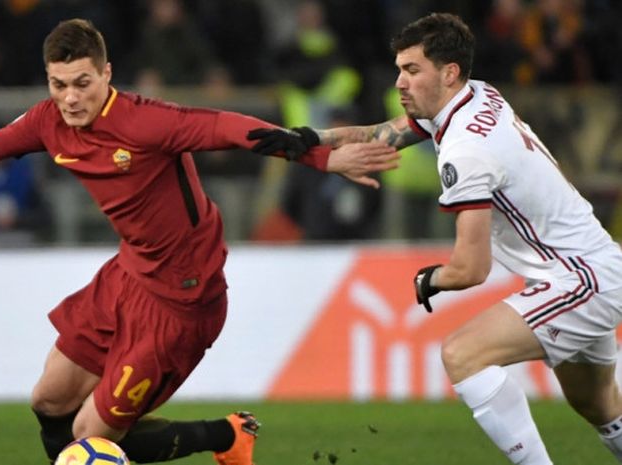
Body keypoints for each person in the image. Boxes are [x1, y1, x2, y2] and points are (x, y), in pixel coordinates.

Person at [0, 18, 399, 465]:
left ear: (106, 74)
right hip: (128, 276)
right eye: (58, 84)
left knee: (92, 435)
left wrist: (321, 158)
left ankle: (224, 436)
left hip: (182, 301)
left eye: (82, 83)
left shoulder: (143, 122)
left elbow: (223, 127)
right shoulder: (47, 122)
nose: (69, 98)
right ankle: (227, 437)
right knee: (48, 401)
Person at [248, 12, 622, 465]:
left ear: (448, 73)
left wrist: (433, 279)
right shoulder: (478, 96)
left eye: (411, 71)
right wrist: (306, 138)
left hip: (580, 280)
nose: (400, 83)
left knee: (462, 355)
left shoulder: (466, 149)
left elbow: (471, 268)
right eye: (399, 70)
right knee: (600, 407)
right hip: (592, 265)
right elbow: (377, 134)